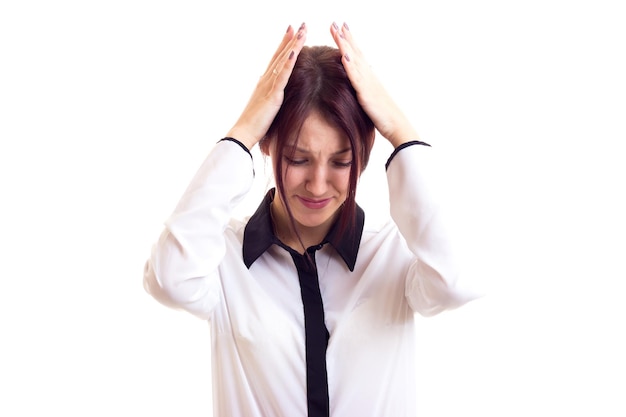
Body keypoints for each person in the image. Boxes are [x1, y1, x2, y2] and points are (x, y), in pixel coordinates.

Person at [143, 21, 476, 417]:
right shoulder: (222, 258)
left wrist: (398, 129)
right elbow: (167, 279)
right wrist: (245, 128)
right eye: (298, 159)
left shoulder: (393, 253)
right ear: (268, 145)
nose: (318, 185)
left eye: (341, 162)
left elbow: (459, 281)